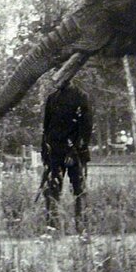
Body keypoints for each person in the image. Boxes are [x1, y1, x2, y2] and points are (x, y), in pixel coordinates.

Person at [40, 80, 93, 235]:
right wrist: (45, 154)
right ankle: (52, 229)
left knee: (79, 190)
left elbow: (86, 128)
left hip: (75, 154)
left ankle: (82, 230)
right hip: (54, 154)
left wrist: (74, 151)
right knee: (51, 190)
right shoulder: (52, 98)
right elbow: (46, 128)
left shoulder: (81, 96)